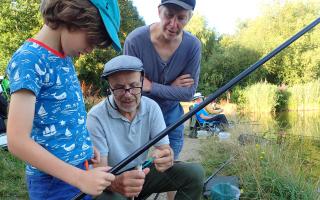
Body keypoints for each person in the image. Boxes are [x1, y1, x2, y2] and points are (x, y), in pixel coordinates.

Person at [6, 0, 122, 199]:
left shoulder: (64, 57)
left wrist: (81, 145)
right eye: (92, 41)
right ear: (74, 16)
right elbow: (17, 140)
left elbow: (63, 115)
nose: (90, 50)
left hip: (79, 170)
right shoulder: (29, 59)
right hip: (54, 183)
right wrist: (79, 178)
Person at [87, 55, 205, 200]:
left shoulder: (152, 107)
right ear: (109, 87)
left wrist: (167, 157)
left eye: (134, 86)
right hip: (112, 180)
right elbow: (100, 173)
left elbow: (164, 150)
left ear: (142, 81)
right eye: (119, 88)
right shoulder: (95, 117)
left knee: (194, 173)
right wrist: (116, 183)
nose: (128, 95)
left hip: (141, 173)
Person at [123, 0, 201, 160]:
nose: (173, 24)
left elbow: (188, 94)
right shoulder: (135, 41)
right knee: (132, 165)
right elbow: (129, 89)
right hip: (138, 114)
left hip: (172, 116)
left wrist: (151, 86)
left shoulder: (193, 46)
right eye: (169, 15)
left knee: (168, 166)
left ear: (190, 17)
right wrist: (172, 88)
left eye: (181, 18)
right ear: (159, 11)